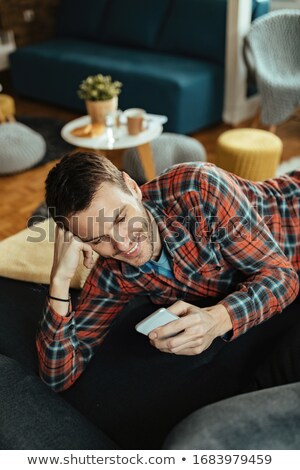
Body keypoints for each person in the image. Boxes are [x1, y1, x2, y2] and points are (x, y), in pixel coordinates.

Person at [36, 151, 300, 394]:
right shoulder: (112, 274)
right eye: (97, 239)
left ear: (132, 187)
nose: (123, 244)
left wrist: (216, 320)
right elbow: (58, 377)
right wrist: (59, 281)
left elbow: (283, 277)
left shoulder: (199, 188)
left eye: (120, 219)